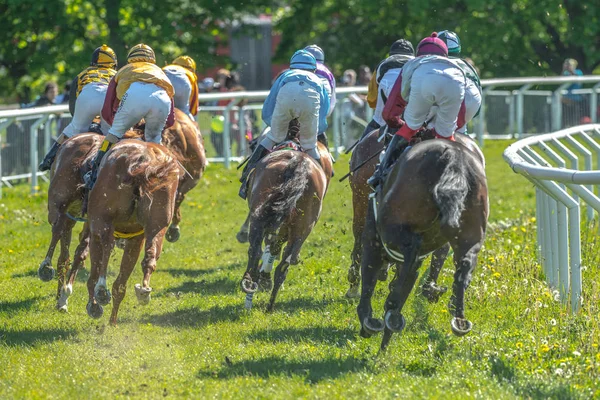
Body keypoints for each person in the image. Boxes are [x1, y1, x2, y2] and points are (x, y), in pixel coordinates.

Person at [368, 32, 466, 189]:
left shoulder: (413, 64)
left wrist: (406, 125)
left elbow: (390, 110)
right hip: (456, 81)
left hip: (423, 82)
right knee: (447, 135)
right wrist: (438, 130)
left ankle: (380, 173)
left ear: (419, 53)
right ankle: (461, 174)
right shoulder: (457, 67)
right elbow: (461, 118)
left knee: (409, 128)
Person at [238, 49, 330, 199]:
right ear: (314, 69)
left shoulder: (285, 76)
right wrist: (314, 131)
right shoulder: (318, 80)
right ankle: (320, 187)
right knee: (310, 147)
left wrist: (273, 127)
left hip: (286, 97)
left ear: (292, 67)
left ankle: (246, 177)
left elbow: (270, 103)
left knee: (271, 138)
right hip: (311, 101)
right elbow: (323, 111)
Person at [84, 43, 175, 189]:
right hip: (162, 98)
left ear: (130, 58)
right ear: (152, 59)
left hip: (135, 96)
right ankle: (163, 176)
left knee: (114, 134)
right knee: (154, 139)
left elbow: (108, 108)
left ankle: (94, 173)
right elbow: (170, 119)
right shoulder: (160, 72)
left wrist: (119, 127)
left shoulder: (124, 70)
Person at [38, 45, 118, 171]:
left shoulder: (83, 74)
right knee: (113, 134)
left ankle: (48, 159)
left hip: (86, 96)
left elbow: (72, 104)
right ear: (113, 62)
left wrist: (81, 121)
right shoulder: (117, 75)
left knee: (72, 128)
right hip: (107, 98)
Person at [360, 39, 415, 140]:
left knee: (376, 122)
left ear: (391, 54)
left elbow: (372, 100)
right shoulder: (418, 64)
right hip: (414, 112)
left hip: (387, 114)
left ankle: (359, 149)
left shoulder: (382, 65)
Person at [437, 30, 482, 134]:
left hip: (444, 101)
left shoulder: (433, 63)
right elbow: (477, 109)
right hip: (470, 103)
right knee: (461, 131)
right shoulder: (469, 65)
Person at [304, 44, 337, 149]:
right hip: (318, 118)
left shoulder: (295, 69)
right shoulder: (329, 73)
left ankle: (256, 159)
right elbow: (332, 102)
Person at [162, 56, 199, 121]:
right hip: (182, 82)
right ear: (192, 69)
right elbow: (194, 105)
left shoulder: (167, 67)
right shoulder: (190, 74)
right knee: (184, 111)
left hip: (164, 76)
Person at [561, 58, 585, 128]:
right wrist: (563, 69)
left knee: (574, 116)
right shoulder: (566, 73)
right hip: (566, 98)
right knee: (565, 115)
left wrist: (571, 70)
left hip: (575, 97)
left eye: (569, 65)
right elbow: (560, 81)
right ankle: (565, 125)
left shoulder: (579, 72)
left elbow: (578, 78)